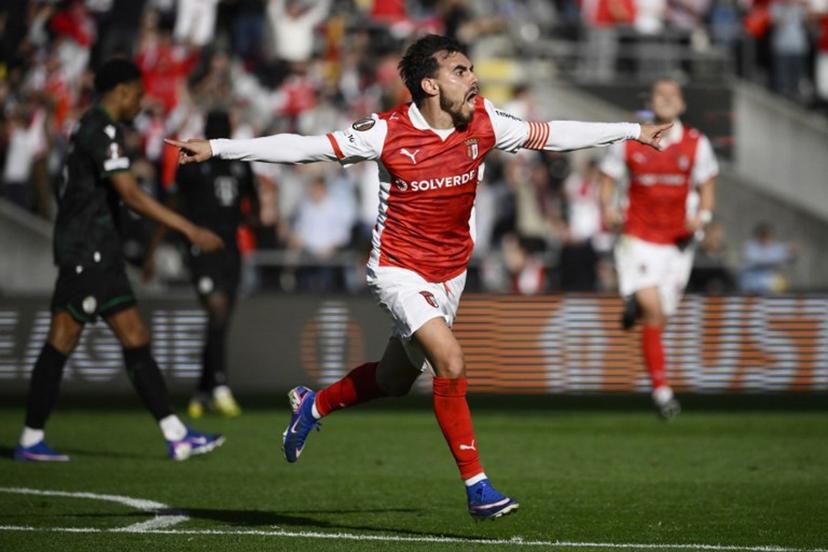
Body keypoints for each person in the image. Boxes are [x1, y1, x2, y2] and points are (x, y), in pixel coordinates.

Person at [167, 34, 670, 519]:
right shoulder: (386, 131)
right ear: (429, 85)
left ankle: (313, 405)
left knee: (392, 380)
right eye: (460, 70)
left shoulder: (485, 122)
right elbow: (306, 146)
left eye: (472, 69)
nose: (473, 78)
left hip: (450, 276)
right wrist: (218, 147)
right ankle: (478, 487)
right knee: (450, 359)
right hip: (398, 271)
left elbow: (554, 134)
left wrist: (630, 130)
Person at [14, 59, 226, 463]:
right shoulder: (103, 129)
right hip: (88, 251)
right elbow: (131, 195)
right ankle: (29, 438)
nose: (141, 103)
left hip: (98, 250)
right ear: (123, 92)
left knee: (134, 337)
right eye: (138, 94)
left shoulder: (91, 127)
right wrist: (189, 230)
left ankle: (176, 434)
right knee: (63, 339)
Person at [599, 78, 719, 420]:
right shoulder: (630, 141)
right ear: (650, 101)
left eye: (673, 94)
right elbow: (607, 180)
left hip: (677, 243)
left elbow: (707, 184)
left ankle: (634, 307)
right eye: (659, 94)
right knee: (654, 308)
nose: (666, 99)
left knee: (659, 316)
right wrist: (607, 208)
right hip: (636, 237)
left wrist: (704, 217)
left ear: (681, 104)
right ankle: (662, 392)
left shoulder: (697, 144)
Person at [144, 110, 259, 419]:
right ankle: (220, 386)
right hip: (200, 248)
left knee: (220, 321)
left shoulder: (239, 164)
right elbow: (174, 205)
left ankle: (201, 390)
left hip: (230, 249)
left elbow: (254, 205)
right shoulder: (194, 165)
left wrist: (239, 219)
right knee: (217, 310)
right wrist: (154, 248)